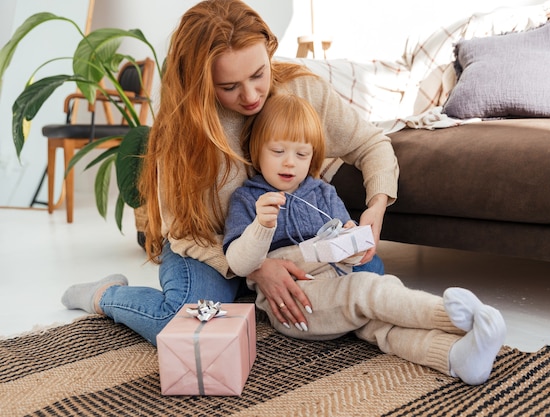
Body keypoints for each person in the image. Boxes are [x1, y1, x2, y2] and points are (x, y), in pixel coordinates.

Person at [61, 0, 398, 347]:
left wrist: (377, 206)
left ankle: (248, 299)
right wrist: (255, 267)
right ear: (201, 81)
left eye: (258, 74)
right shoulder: (180, 131)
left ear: (269, 50)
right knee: (182, 325)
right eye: (229, 86)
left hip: (295, 248)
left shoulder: (304, 91)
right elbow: (181, 232)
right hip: (210, 249)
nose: (251, 95)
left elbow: (372, 144)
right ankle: (105, 295)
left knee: (370, 279)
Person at [223, 94, 506, 385]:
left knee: (380, 325)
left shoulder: (322, 192)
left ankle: (456, 357)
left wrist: (355, 243)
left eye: (301, 154)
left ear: (313, 155)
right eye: (278, 150)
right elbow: (239, 262)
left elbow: (351, 253)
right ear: (257, 150)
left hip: (337, 285)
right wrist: (261, 225)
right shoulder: (248, 199)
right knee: (368, 291)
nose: (289, 163)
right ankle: (453, 319)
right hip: (295, 303)